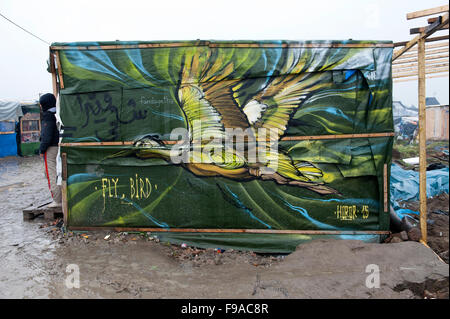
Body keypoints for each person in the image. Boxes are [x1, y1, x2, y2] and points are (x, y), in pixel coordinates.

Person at [39, 93, 61, 207]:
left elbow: (46, 136)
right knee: (60, 172)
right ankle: (62, 198)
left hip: (51, 148)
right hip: (59, 146)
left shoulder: (47, 115)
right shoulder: (58, 113)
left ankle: (57, 200)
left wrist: (42, 150)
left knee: (51, 173)